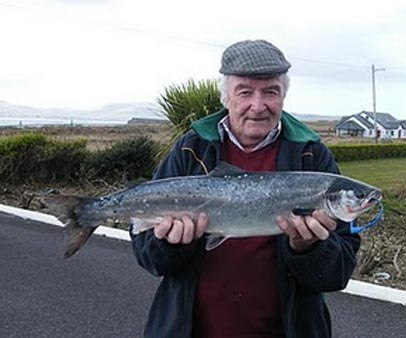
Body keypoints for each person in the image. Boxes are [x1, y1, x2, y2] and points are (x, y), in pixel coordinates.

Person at [131, 39, 360, 338]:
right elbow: (148, 257)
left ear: (283, 97)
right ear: (226, 97)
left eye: (270, 92)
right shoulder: (190, 149)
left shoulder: (313, 157)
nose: (258, 105)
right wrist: (171, 244)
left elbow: (337, 273)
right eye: (245, 92)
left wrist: (309, 248)